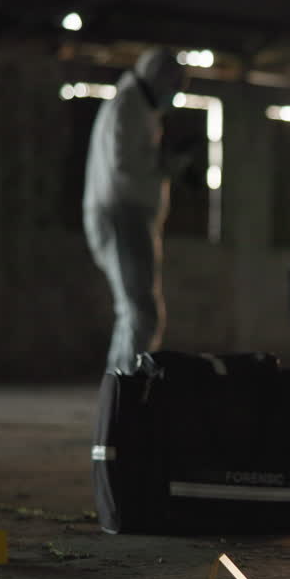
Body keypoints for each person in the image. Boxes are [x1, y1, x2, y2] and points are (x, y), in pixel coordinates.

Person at [83, 49, 187, 373]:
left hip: (127, 214)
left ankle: (119, 386)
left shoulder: (139, 108)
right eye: (175, 86)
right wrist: (168, 163)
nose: (175, 94)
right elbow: (125, 165)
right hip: (122, 213)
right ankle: (127, 386)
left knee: (133, 310)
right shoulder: (128, 106)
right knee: (141, 311)